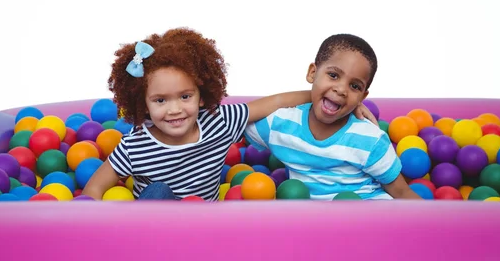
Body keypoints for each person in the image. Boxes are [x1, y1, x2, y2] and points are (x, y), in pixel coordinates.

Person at [82, 28, 377, 201]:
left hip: (208, 229)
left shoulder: (218, 122)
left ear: (201, 94)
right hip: (155, 231)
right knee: (158, 192)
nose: (174, 109)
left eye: (185, 97)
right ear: (144, 105)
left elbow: (273, 103)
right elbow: (95, 187)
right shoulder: (135, 146)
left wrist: (327, 98)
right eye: (160, 100)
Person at [245, 33, 421, 200]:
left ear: (362, 98)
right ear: (312, 73)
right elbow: (233, 119)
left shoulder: (370, 140)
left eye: (354, 86)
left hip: (369, 218)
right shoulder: (281, 124)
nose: (342, 89)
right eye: (333, 75)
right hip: (311, 222)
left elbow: (402, 193)